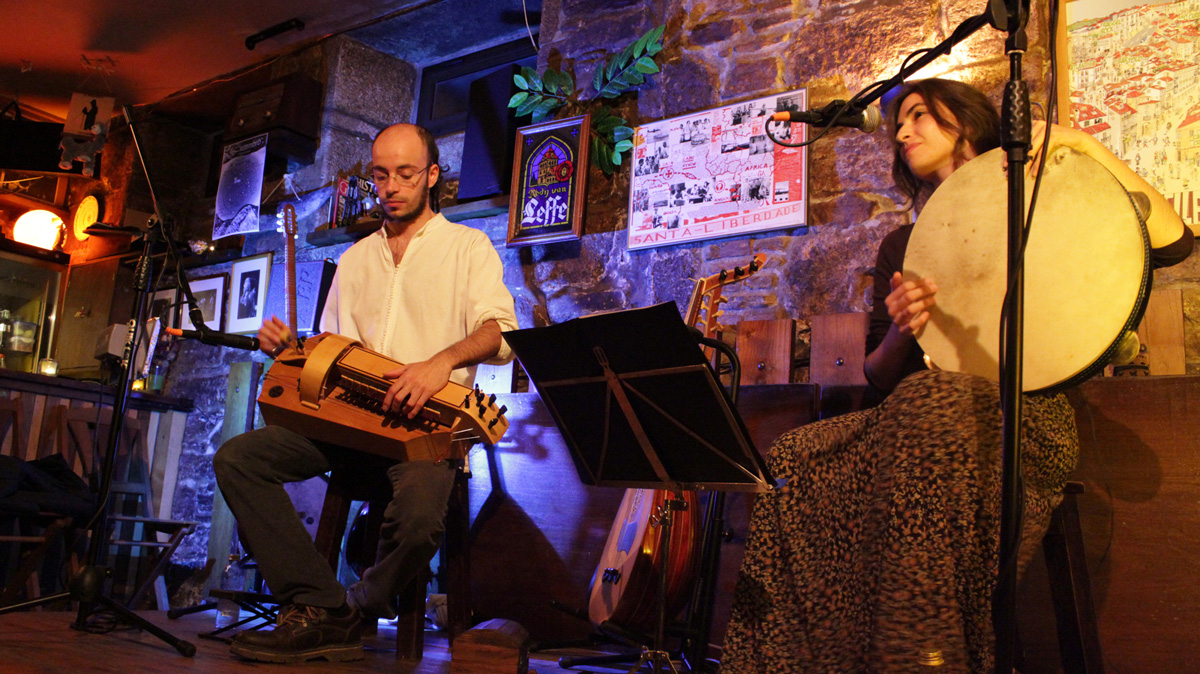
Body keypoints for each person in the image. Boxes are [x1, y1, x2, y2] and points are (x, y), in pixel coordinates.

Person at [720, 78, 1191, 673]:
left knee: (933, 399)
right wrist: (903, 329)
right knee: (795, 454)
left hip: (1020, 416)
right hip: (914, 420)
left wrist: (1078, 143)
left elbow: (1173, 245)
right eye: (898, 123)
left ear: (963, 120)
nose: (902, 131)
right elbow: (879, 377)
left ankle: (923, 657)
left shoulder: (1038, 197)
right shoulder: (903, 246)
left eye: (918, 115)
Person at [214, 123, 519, 663]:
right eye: (381, 175)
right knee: (239, 458)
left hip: (423, 431)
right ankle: (318, 603)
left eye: (405, 173)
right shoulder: (355, 258)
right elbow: (333, 349)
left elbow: (502, 334)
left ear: (431, 174)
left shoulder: (467, 247)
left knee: (421, 521)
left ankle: (353, 608)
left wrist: (439, 364)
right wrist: (291, 350)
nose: (391, 186)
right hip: (346, 424)